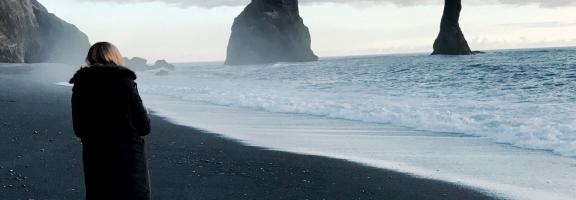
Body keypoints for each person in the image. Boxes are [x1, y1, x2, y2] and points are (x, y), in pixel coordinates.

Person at [69, 42, 151, 200]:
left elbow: (79, 129)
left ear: (90, 58)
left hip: (96, 158)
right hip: (128, 161)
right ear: (115, 57)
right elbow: (144, 127)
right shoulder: (125, 83)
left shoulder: (81, 86)